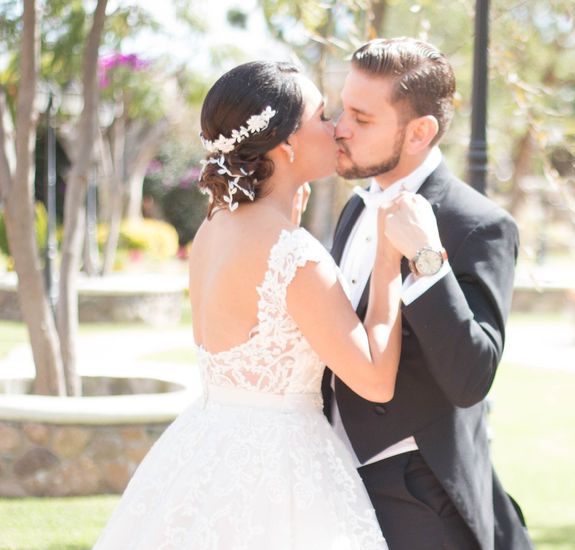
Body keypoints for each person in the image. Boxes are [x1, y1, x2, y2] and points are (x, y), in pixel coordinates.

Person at [93, 60, 404, 549]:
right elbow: (375, 380)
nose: (336, 128)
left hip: (204, 448)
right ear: (285, 143)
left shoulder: (211, 232)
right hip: (283, 468)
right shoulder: (295, 256)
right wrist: (389, 260)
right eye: (321, 117)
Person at [325, 38, 534, 550]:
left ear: (419, 132)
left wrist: (425, 258)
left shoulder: (478, 225)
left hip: (417, 500)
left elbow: (471, 378)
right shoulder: (354, 209)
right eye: (340, 109)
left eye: (361, 117)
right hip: (326, 482)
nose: (340, 128)